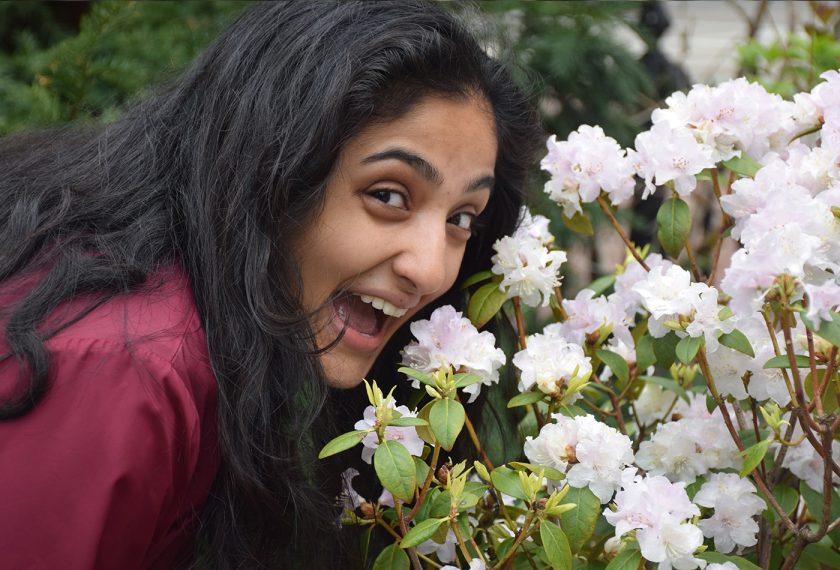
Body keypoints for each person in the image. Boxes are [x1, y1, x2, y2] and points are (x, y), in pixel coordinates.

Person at [0, 1, 542, 568]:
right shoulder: (129, 366)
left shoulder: (215, 346)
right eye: (388, 195)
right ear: (271, 171)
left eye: (462, 219)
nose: (430, 272)